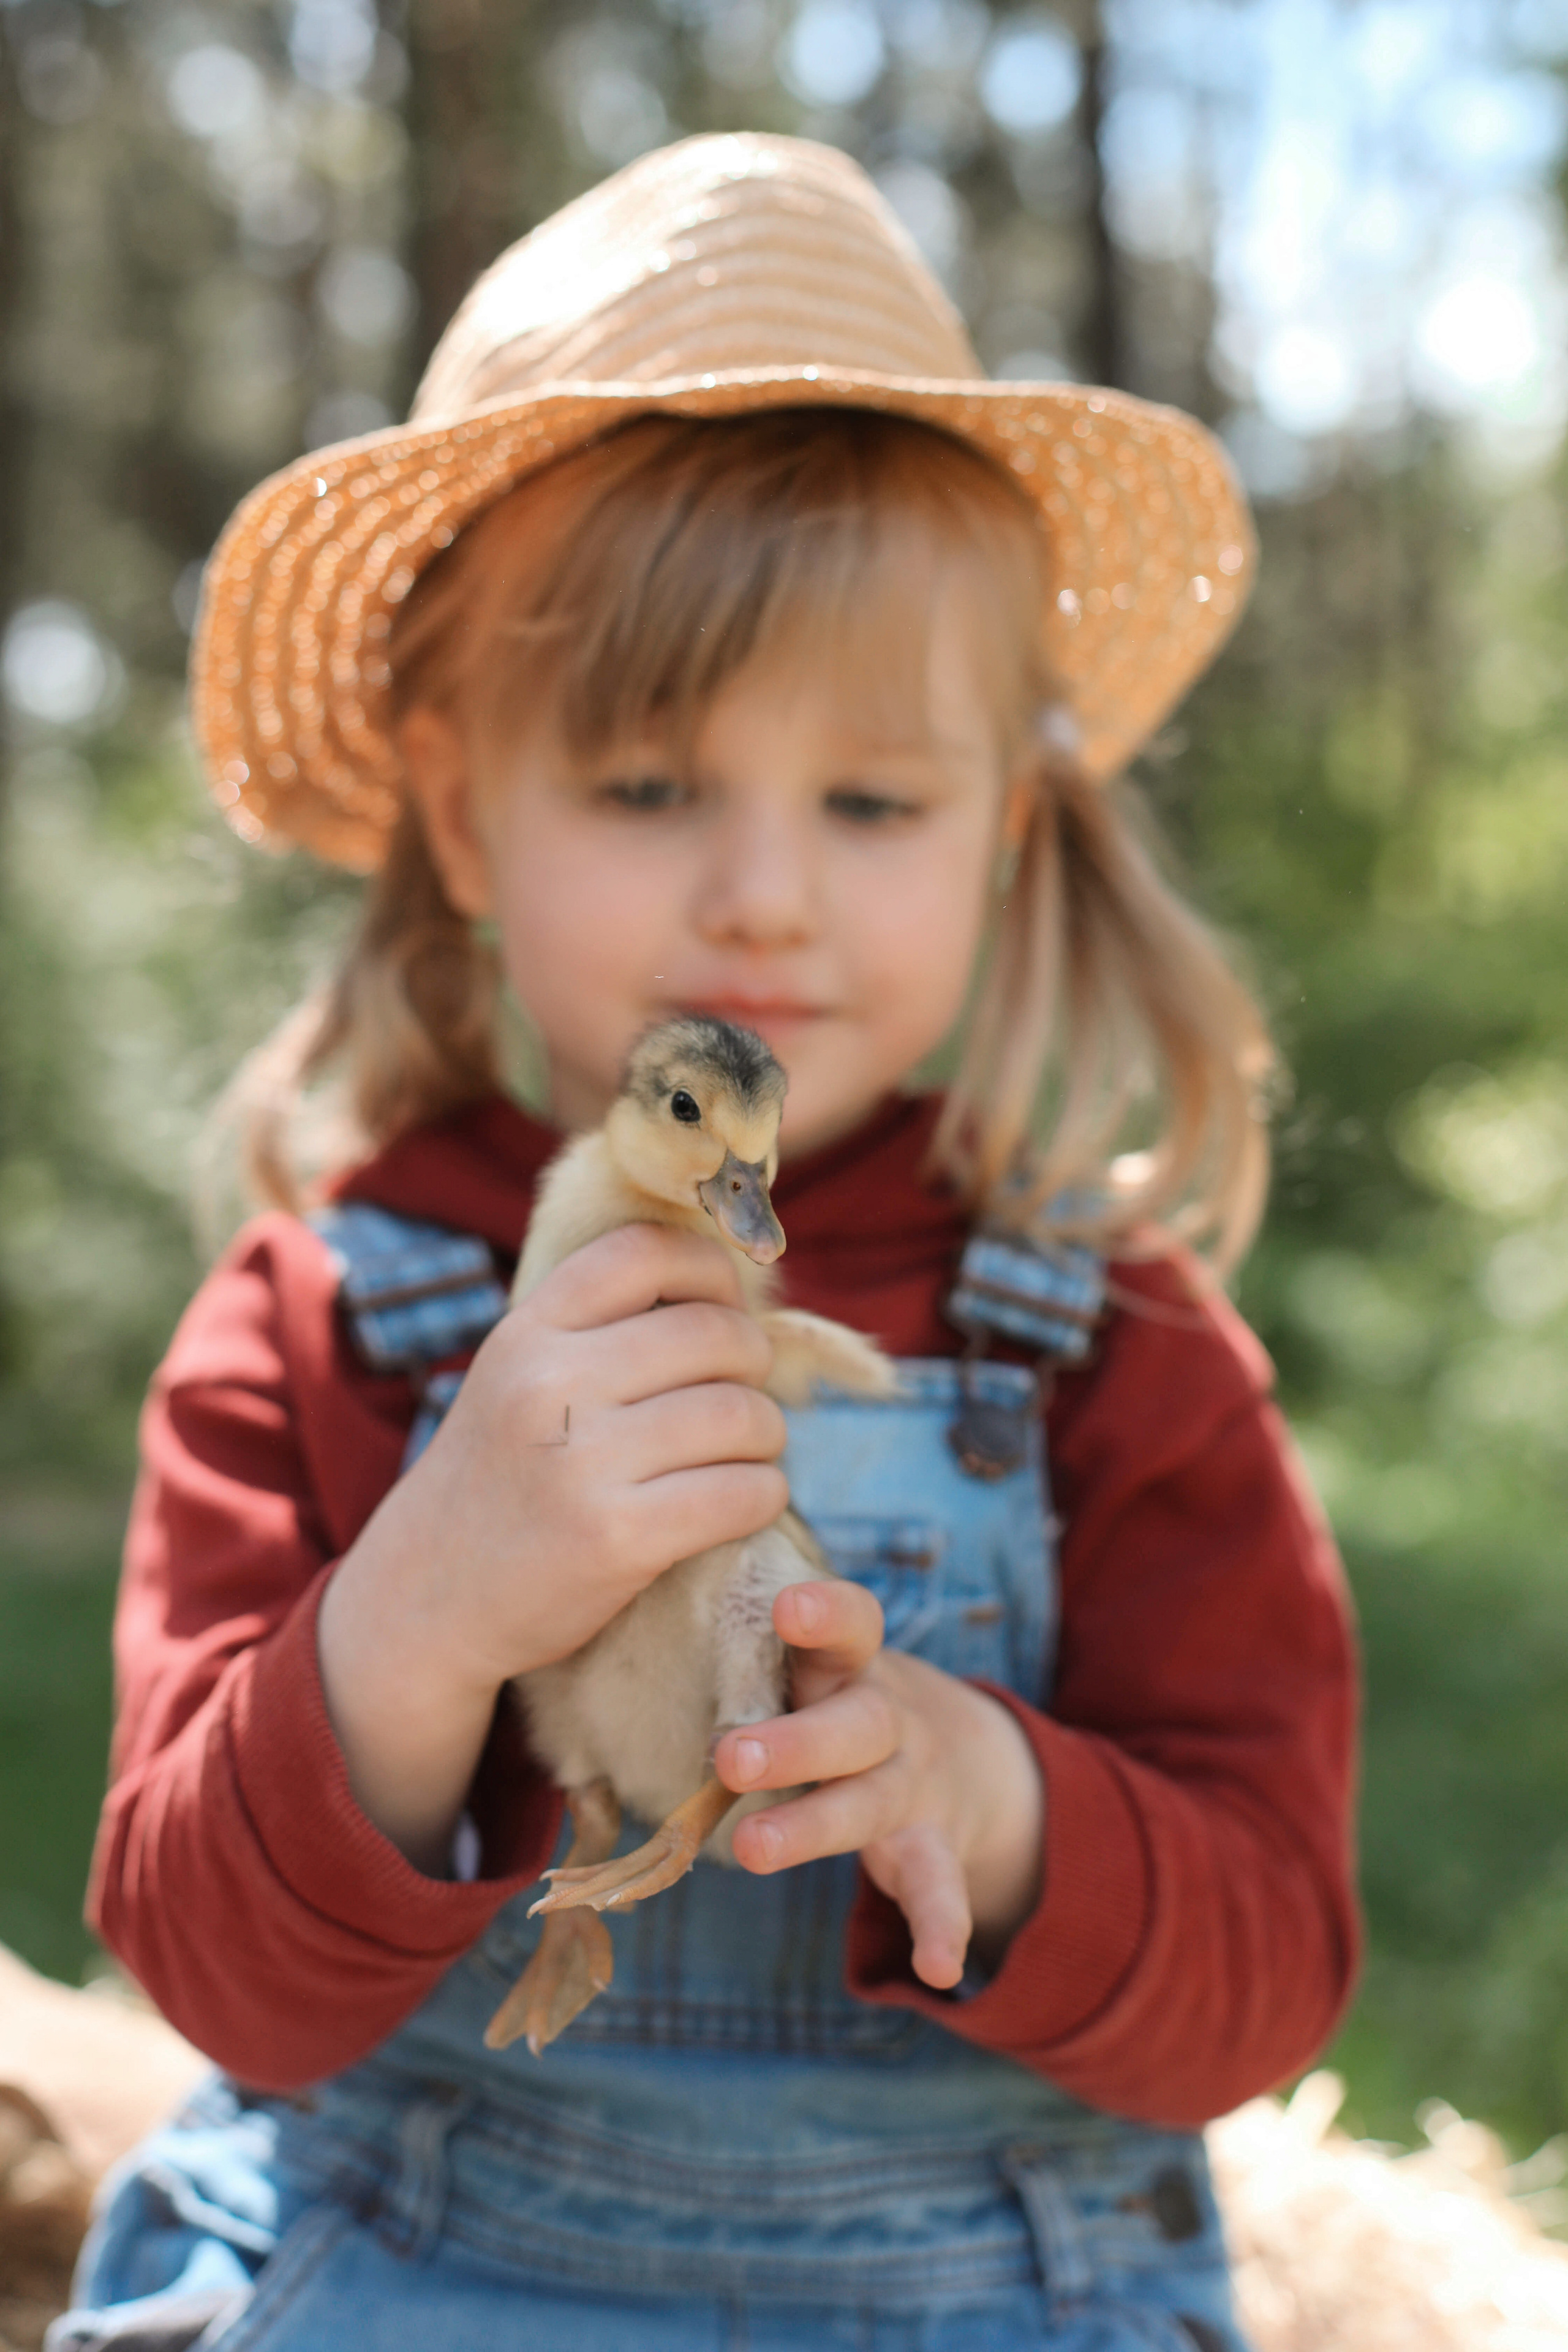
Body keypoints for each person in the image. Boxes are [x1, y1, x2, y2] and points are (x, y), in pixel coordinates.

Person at [53, 134, 1357, 2352]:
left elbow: (1263, 1981)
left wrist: (1002, 1801)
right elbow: (212, 1973)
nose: (764, 895)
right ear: (468, 810)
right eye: (651, 789)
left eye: (871, 802)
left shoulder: (1101, 1335)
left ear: (1001, 833)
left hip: (988, 2295)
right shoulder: (334, 1313)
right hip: (425, 2264)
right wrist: (423, 1616)